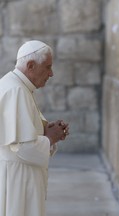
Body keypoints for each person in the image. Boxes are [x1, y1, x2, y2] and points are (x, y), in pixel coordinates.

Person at [0, 40, 70, 216]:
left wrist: (46, 129)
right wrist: (50, 138)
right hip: (18, 178)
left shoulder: (15, 85)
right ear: (30, 65)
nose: (51, 73)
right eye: (47, 67)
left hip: (17, 174)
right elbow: (22, 147)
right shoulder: (16, 90)